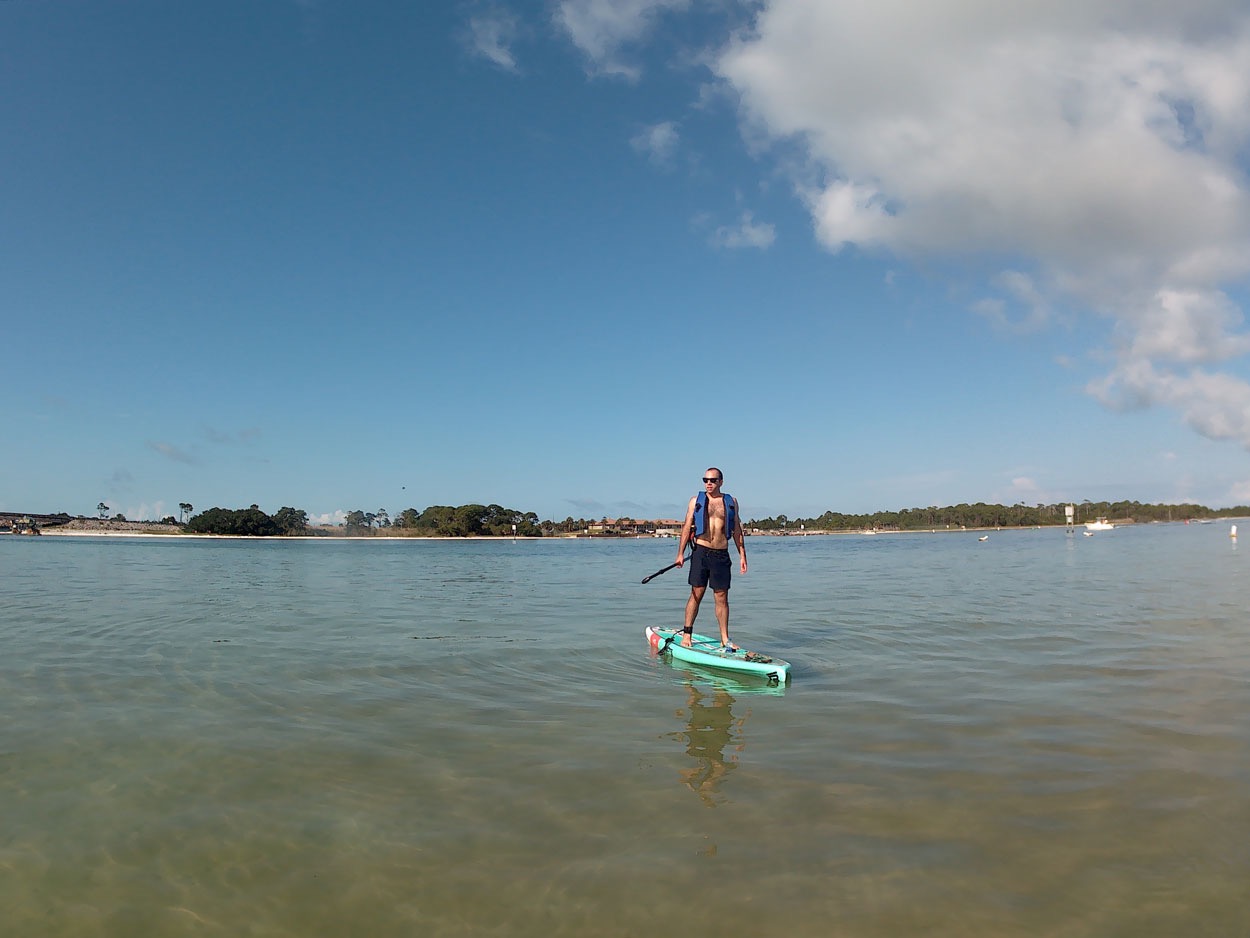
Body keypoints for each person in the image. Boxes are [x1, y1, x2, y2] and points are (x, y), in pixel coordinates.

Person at [674, 468, 747, 649]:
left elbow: (737, 530)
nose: (708, 483)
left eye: (713, 480)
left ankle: (725, 638)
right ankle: (687, 633)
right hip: (701, 552)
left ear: (721, 482)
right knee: (696, 593)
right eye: (705, 479)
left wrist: (742, 555)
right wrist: (680, 554)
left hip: (721, 554)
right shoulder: (695, 501)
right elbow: (686, 527)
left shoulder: (731, 502)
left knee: (721, 597)